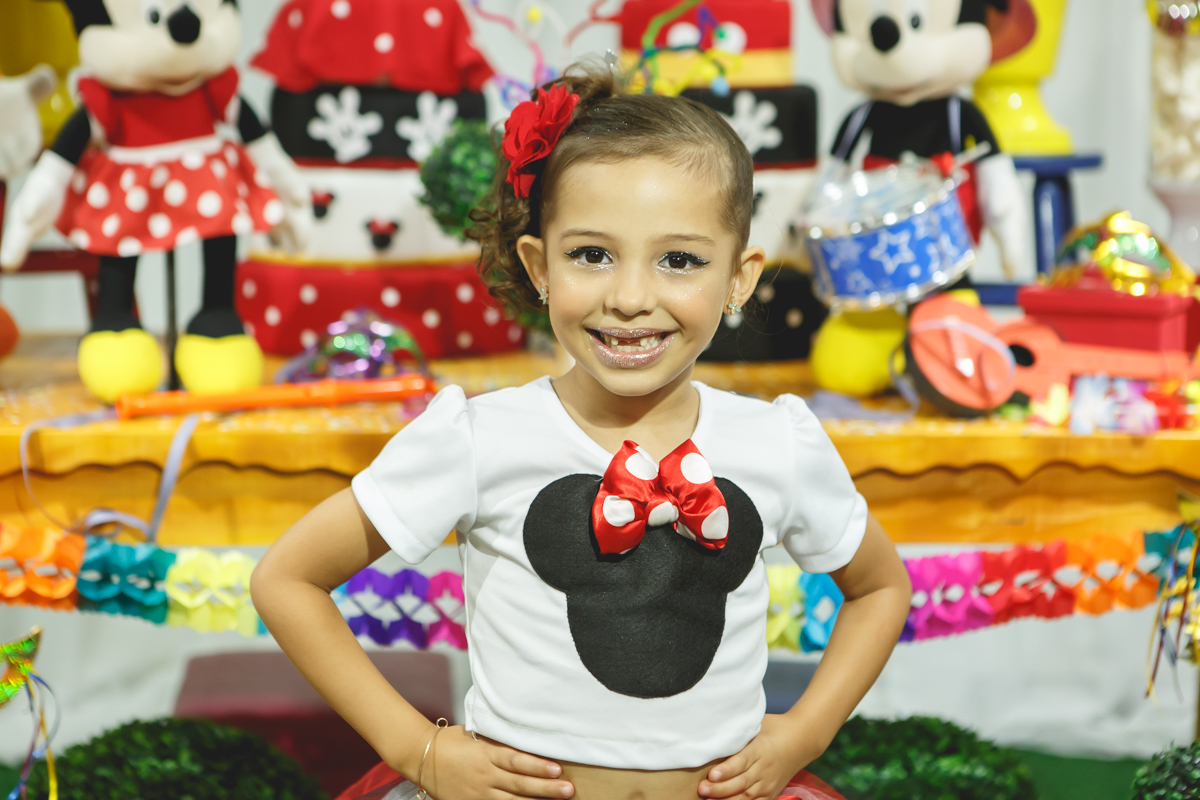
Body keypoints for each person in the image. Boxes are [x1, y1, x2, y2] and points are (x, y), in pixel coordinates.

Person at [251, 61, 913, 800]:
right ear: (539, 266)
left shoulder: (776, 442)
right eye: (591, 255)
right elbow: (287, 579)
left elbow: (880, 587)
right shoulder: (480, 438)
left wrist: (806, 732)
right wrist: (417, 749)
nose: (629, 296)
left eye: (679, 260)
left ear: (739, 277)